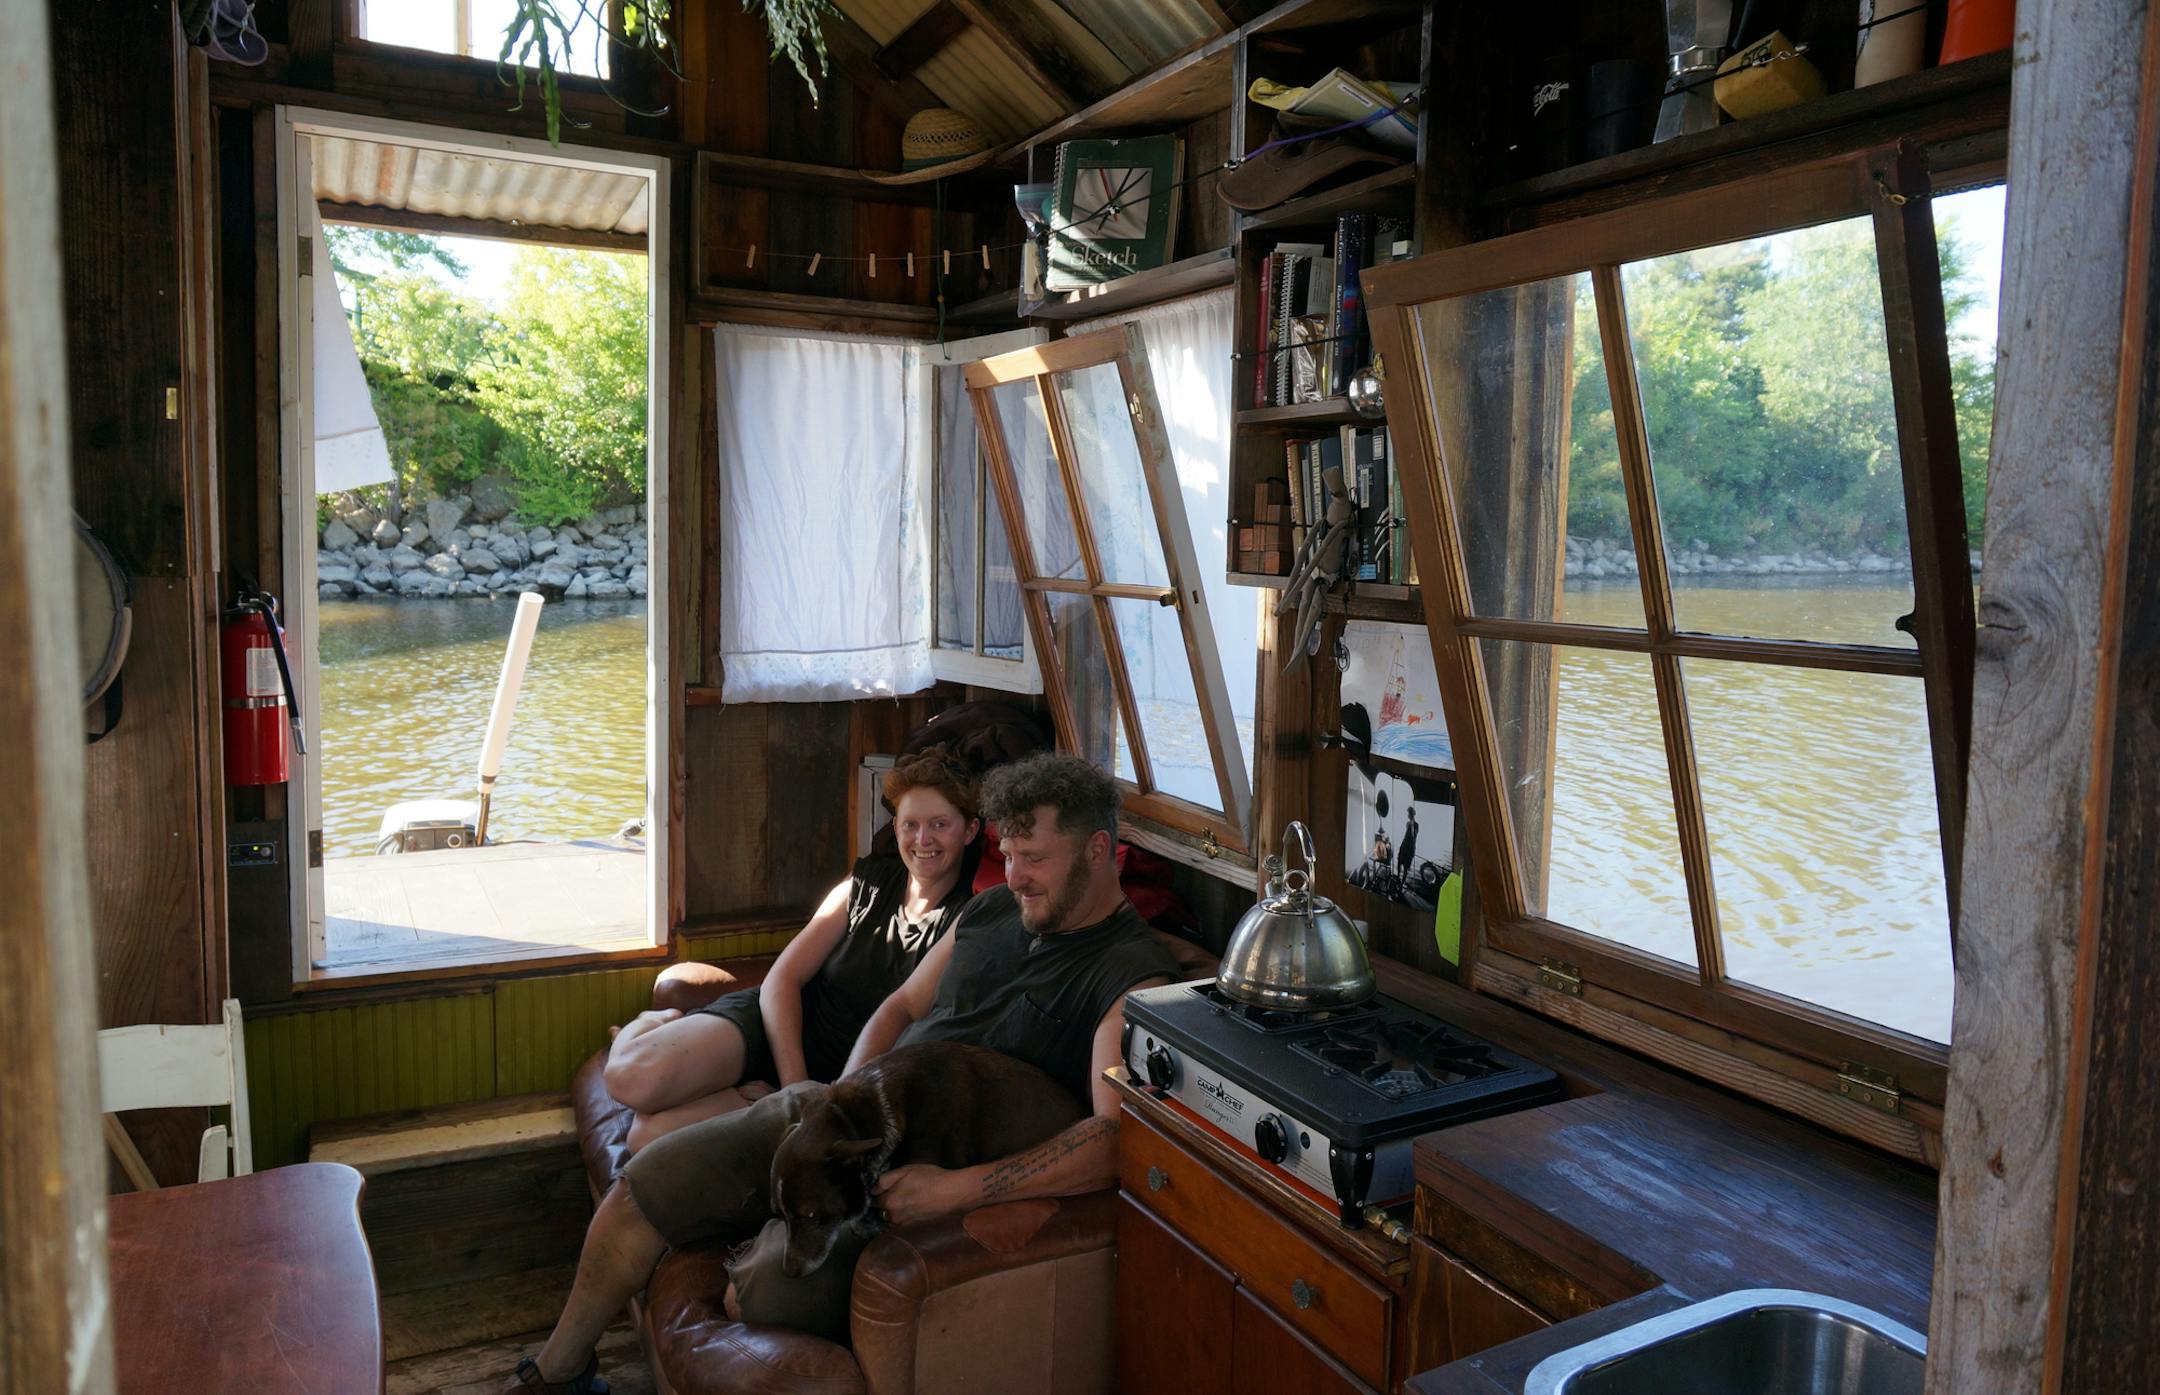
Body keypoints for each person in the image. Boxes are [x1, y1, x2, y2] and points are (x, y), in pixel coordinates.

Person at [508, 752, 1178, 1394]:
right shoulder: (994, 909)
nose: (1017, 874)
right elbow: (901, 1005)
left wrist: (956, 1190)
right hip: (844, 1113)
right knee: (642, 1187)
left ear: (1097, 850)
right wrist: (843, 1093)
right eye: (1010, 855)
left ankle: (767, 1228)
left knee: (758, 1289)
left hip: (921, 1173)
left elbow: (1112, 1137)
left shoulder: (1131, 976)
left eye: (1036, 859)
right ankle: (558, 1372)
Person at [601, 750, 982, 1152]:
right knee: (629, 1077)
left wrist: (809, 1099)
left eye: (940, 825)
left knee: (646, 1137)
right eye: (910, 825)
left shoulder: (969, 917)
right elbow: (783, 978)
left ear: (969, 831)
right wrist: (795, 1090)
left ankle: (732, 1087)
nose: (922, 840)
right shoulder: (864, 885)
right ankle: (648, 1023)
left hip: (836, 1075)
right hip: (776, 1029)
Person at [1396, 805, 1419, 875]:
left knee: (1406, 867)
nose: (1408, 815)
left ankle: (1402, 882)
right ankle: (1398, 878)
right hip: (1404, 844)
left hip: (1410, 847)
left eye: (1409, 814)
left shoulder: (1415, 824)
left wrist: (1413, 848)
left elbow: (1414, 836)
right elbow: (1406, 835)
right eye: (1408, 813)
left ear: (1412, 815)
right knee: (1399, 862)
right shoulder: (1408, 823)